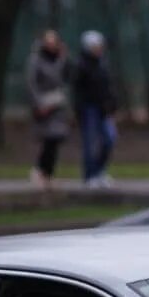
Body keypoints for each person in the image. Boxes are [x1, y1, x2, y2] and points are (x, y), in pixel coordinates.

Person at [26, 29, 70, 190]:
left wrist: (64, 57)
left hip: (57, 103)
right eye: (49, 42)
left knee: (56, 139)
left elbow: (64, 76)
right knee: (49, 139)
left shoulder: (59, 59)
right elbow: (31, 83)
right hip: (44, 103)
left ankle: (48, 174)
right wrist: (38, 105)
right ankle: (39, 170)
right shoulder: (36, 60)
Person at [73, 30, 119, 188]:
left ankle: (100, 171)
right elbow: (79, 91)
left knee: (109, 139)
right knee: (91, 143)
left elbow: (108, 87)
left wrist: (112, 104)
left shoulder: (102, 64)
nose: (99, 49)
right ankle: (90, 175)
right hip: (89, 109)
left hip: (103, 109)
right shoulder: (82, 65)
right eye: (96, 46)